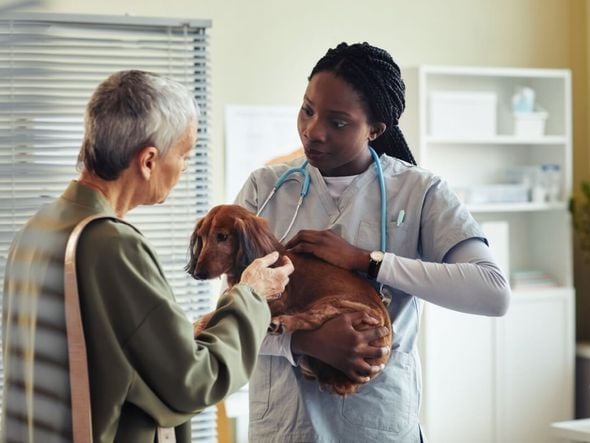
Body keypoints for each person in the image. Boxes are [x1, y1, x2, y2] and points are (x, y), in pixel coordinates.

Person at [234, 42, 511, 442]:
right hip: (285, 427)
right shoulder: (266, 189)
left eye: (338, 122)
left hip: (375, 425)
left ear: (375, 129)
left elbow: (492, 293)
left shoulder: (418, 192)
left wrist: (369, 261)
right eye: (308, 110)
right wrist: (302, 341)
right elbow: (231, 316)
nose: (314, 131)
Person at [2, 70, 294, 443]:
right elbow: (195, 381)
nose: (186, 167)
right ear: (149, 160)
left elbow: (102, 354)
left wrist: (186, 333)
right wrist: (251, 294)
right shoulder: (110, 243)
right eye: (184, 155)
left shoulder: (38, 229)